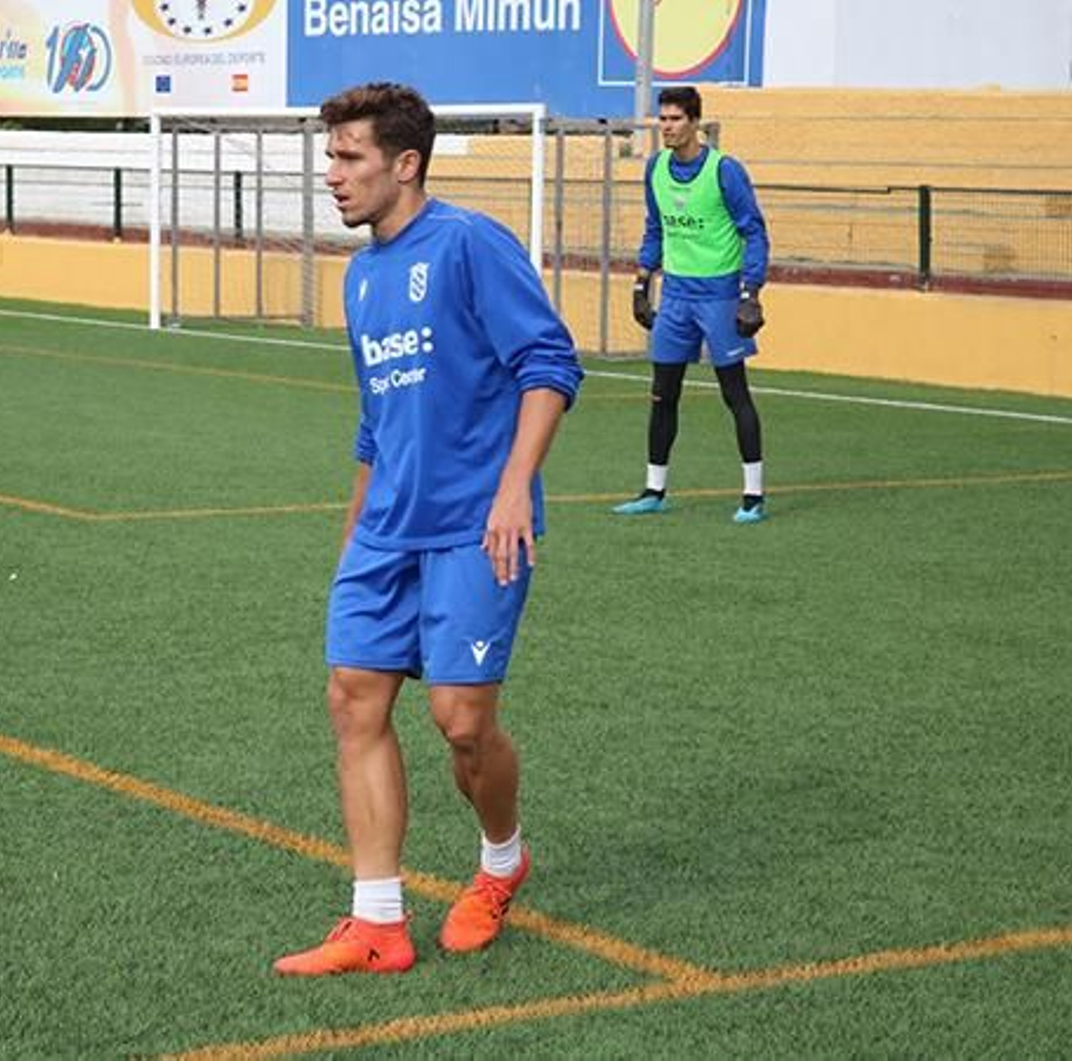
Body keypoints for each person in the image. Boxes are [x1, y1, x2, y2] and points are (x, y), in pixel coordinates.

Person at [272, 83, 584, 977]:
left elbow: (549, 362)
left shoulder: (470, 244)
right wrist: (352, 537)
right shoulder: (361, 276)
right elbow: (376, 425)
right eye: (330, 157)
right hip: (386, 531)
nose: (332, 176)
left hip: (473, 528)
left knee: (461, 723)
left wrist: (515, 488)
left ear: (405, 164)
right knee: (353, 697)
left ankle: (500, 860)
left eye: (350, 158)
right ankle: (377, 919)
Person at [614, 85, 771, 524]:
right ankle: (654, 489)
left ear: (695, 122)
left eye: (675, 119)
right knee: (662, 395)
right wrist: (641, 283)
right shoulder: (655, 169)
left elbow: (754, 231)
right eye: (662, 119)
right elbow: (656, 229)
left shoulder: (725, 171)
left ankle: (753, 496)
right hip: (677, 296)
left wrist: (750, 293)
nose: (666, 127)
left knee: (734, 394)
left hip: (719, 295)